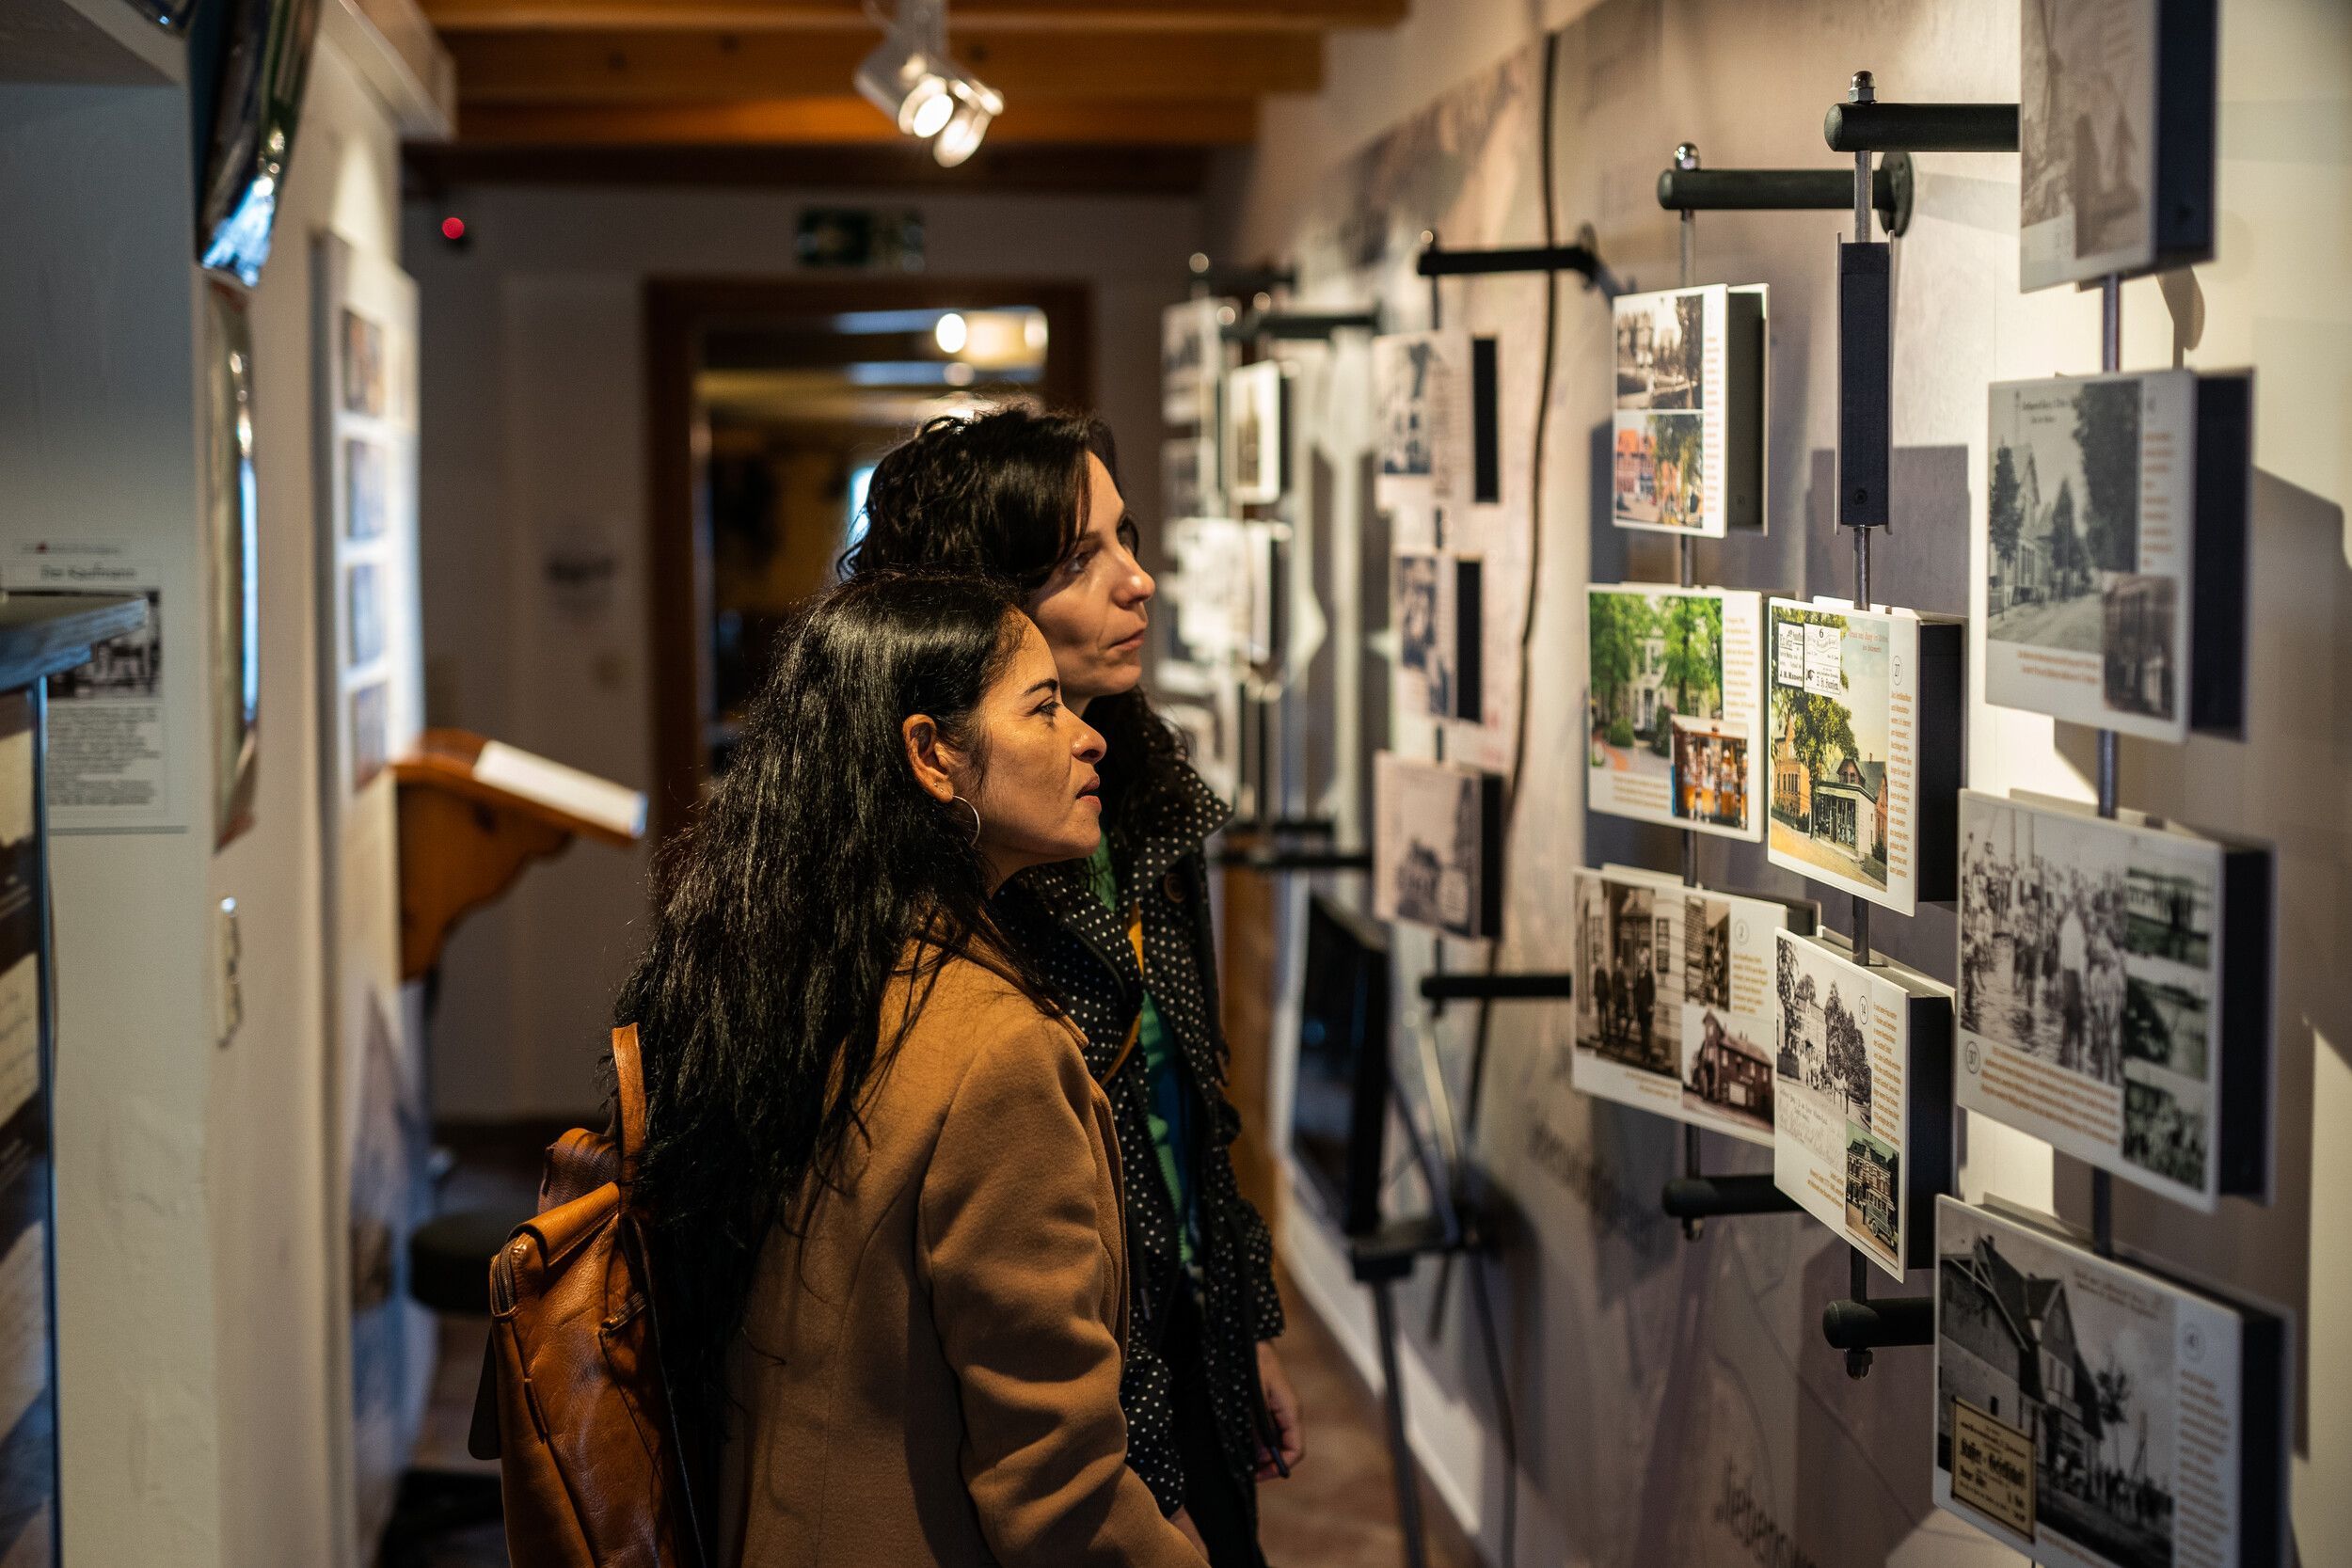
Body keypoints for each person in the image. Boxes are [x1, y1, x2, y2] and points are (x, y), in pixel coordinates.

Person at [615, 573, 1204, 1568]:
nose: (1088, 734)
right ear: (933, 754)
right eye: (1043, 704)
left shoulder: (803, 981)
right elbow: (1055, 1492)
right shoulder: (997, 1053)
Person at [847, 407, 1300, 1567]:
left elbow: (1192, 1099)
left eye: (1128, 537)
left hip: (1179, 1329)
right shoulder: (951, 866)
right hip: (1059, 1396)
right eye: (1080, 559)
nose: (1137, 581)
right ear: (979, 603)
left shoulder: (1142, 786)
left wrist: (1239, 1315)